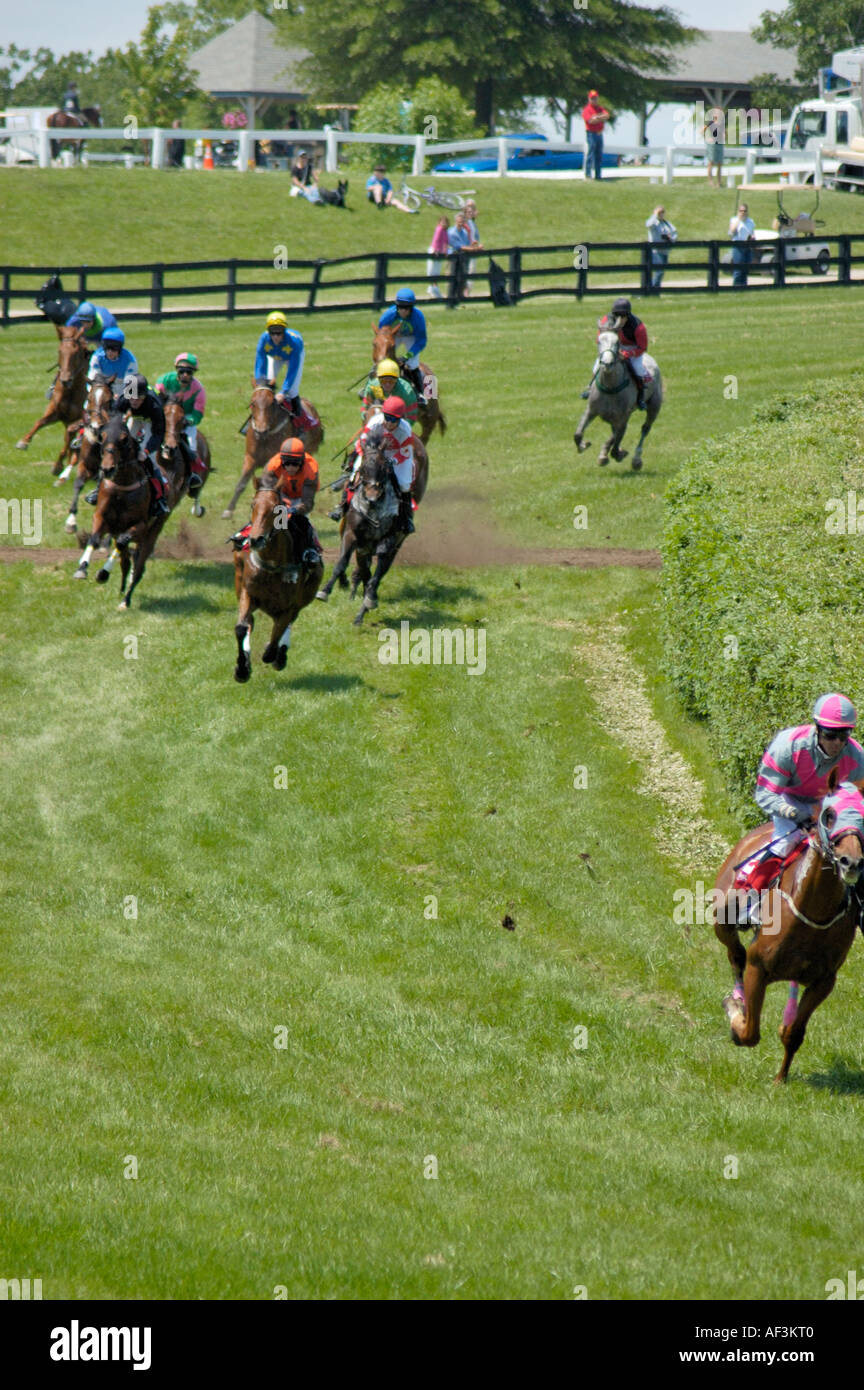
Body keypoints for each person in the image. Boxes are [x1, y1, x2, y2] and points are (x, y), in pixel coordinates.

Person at [732, 694, 864, 920]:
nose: (837, 744)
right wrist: (794, 814)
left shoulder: (856, 756)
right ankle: (748, 900)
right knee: (785, 842)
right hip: (790, 800)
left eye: (844, 736)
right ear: (817, 729)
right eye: (831, 735)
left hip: (832, 806)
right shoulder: (788, 745)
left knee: (855, 848)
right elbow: (765, 794)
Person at [352, 397, 415, 534]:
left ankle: (407, 518)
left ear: (400, 419)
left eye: (393, 420)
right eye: (387, 417)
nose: (389, 422)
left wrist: (391, 462)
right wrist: (366, 456)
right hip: (372, 452)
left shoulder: (405, 430)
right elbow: (362, 441)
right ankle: (342, 507)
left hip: (397, 455)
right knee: (355, 472)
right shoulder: (375, 422)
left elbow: (404, 453)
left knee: (404, 484)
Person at [262, 437, 322, 566]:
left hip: (301, 498)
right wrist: (282, 506)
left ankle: (309, 550)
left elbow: (308, 503)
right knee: (269, 517)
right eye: (287, 463)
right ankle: (250, 538)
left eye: (295, 464)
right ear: (281, 460)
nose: (290, 467)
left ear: (302, 461)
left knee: (300, 521)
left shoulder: (311, 469)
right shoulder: (273, 466)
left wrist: (295, 509)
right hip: (280, 495)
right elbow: (269, 493)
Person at [581, 297, 650, 409]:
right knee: (597, 365)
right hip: (613, 345)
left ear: (628, 315)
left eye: (623, 316)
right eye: (617, 316)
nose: (620, 319)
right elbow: (600, 339)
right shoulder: (606, 321)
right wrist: (609, 351)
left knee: (639, 369)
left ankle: (640, 398)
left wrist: (628, 354)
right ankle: (590, 389)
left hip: (632, 347)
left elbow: (642, 347)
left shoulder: (638, 326)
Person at [253, 311, 314, 433]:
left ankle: (301, 422)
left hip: (292, 358)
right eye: (272, 332)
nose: (275, 336)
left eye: (279, 332)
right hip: (275, 357)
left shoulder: (294, 343)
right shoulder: (264, 339)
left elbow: (293, 370)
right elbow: (260, 360)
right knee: (266, 388)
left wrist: (283, 392)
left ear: (284, 331)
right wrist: (260, 380)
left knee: (292, 391)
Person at [154, 352, 206, 495]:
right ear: (176, 370)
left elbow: (198, 413)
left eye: (188, 372)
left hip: (185, 418)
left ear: (193, 373)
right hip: (166, 415)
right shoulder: (164, 381)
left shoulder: (198, 389)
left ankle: (192, 475)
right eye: (181, 371)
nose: (184, 375)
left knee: (191, 440)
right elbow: (156, 401)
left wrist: (188, 421)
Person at [121, 373, 169, 516]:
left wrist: (147, 451)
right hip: (135, 418)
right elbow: (114, 419)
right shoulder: (124, 400)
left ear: (144, 396)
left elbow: (158, 435)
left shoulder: (155, 405)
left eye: (138, 398)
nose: (134, 401)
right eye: (131, 397)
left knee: (150, 459)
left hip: (150, 421)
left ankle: (160, 498)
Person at [376, 288, 427, 400]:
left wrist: (406, 357)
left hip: (411, 337)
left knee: (413, 363)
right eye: (400, 307)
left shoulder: (418, 318)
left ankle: (420, 393)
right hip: (393, 336)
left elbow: (421, 341)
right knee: (381, 359)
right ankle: (371, 388)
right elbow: (381, 336)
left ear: (412, 308)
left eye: (407, 308)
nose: (403, 311)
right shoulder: (388, 316)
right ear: (396, 306)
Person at [360, 358, 419, 426]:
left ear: (397, 380)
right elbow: (364, 409)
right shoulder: (372, 386)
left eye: (391, 381)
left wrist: (398, 427)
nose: (387, 384)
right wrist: (367, 420)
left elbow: (412, 416)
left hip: (398, 423)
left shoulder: (407, 392)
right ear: (378, 379)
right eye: (384, 381)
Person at [87, 327, 137, 396]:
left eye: (114, 348)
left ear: (120, 348)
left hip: (121, 388)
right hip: (102, 388)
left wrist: (120, 397)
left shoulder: (130, 360)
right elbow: (93, 377)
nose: (110, 352)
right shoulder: (97, 357)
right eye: (107, 347)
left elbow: (130, 386)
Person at [645, 205, 677, 291]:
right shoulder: (654, 223)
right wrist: (655, 215)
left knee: (661, 272)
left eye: (662, 212)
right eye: (659, 212)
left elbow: (674, 234)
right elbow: (648, 224)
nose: (661, 214)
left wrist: (670, 238)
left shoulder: (667, 224)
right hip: (655, 251)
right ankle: (653, 290)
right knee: (659, 271)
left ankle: (654, 290)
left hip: (665, 251)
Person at [582, 89, 610, 181]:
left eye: (595, 98)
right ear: (589, 99)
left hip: (599, 133)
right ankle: (588, 175)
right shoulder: (587, 110)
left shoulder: (599, 108)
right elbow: (590, 121)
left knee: (599, 155)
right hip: (591, 134)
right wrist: (600, 118)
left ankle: (598, 175)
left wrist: (596, 117)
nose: (594, 100)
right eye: (592, 98)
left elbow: (607, 116)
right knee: (590, 153)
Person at [729, 202, 755, 288]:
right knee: (738, 269)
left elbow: (752, 232)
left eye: (744, 211)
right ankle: (736, 286)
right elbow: (732, 231)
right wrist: (739, 220)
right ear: (738, 211)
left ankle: (744, 286)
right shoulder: (734, 220)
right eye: (741, 211)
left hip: (747, 246)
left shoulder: (750, 221)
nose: (742, 213)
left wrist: (752, 237)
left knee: (746, 268)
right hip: (738, 246)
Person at [426, 215, 450, 299]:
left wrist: (446, 251)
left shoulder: (445, 231)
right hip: (434, 250)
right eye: (442, 222)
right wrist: (435, 251)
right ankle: (431, 288)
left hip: (440, 252)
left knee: (437, 271)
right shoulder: (439, 229)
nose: (444, 224)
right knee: (431, 271)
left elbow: (446, 242)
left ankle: (434, 289)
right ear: (439, 222)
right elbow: (436, 240)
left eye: (445, 222)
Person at [703, 106, 725, 188]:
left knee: (720, 163)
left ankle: (719, 183)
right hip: (712, 144)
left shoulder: (721, 123)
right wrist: (707, 138)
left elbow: (723, 133)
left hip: (720, 143)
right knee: (711, 162)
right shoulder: (710, 122)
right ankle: (711, 182)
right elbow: (702, 130)